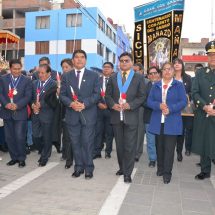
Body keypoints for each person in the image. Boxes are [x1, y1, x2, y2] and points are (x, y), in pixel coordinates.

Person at [105, 52, 145, 183]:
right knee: (120, 145)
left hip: (131, 116)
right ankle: (122, 167)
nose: (124, 63)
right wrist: (112, 105)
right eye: (121, 60)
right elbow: (108, 95)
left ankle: (128, 173)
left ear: (132, 62)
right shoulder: (113, 77)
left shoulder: (139, 78)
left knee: (129, 146)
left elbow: (142, 97)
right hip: (117, 116)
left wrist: (130, 105)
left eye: (126, 60)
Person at [60, 50, 100, 180]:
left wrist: (84, 104)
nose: (79, 60)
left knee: (87, 142)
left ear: (86, 60)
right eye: (76, 57)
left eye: (82, 57)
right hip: (72, 114)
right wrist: (71, 103)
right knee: (75, 143)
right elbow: (62, 95)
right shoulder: (66, 76)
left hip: (88, 114)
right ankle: (78, 167)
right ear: (73, 60)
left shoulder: (94, 75)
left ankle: (89, 168)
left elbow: (97, 94)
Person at [147, 62, 187, 184]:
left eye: (169, 69)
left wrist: (171, 108)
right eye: (164, 69)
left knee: (169, 149)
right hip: (158, 121)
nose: (167, 71)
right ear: (161, 72)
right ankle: (160, 168)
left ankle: (167, 173)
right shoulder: (156, 85)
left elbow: (183, 101)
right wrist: (158, 105)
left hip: (172, 121)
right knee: (159, 147)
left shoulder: (178, 85)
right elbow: (149, 101)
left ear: (173, 72)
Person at [0, 59, 32, 167]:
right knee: (9, 137)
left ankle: (21, 158)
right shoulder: (3, 79)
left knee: (20, 136)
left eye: (19, 69)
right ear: (10, 68)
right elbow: (1, 94)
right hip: (6, 111)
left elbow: (28, 96)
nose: (17, 71)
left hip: (20, 112)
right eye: (15, 69)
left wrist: (17, 105)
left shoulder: (26, 80)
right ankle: (13, 158)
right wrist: (6, 104)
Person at [192, 40, 215, 180]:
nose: (213, 57)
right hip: (204, 113)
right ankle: (205, 170)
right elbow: (194, 93)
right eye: (210, 55)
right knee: (205, 142)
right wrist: (205, 106)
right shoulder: (200, 73)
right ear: (207, 56)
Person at [31, 64, 58, 167]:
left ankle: (44, 157)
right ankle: (43, 151)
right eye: (39, 73)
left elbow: (53, 100)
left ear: (49, 73)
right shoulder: (34, 83)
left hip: (47, 114)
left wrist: (41, 104)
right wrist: (33, 104)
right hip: (35, 113)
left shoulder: (54, 84)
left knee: (47, 137)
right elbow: (31, 97)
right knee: (35, 136)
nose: (40, 75)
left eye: (43, 73)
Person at [173, 58, 193, 161]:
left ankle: (179, 152)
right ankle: (170, 151)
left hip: (184, 110)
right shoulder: (169, 77)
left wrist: (186, 95)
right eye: (175, 63)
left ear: (182, 65)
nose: (176, 64)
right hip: (171, 109)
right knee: (171, 131)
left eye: (179, 63)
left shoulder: (188, 78)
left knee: (181, 131)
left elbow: (192, 92)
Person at [93, 62, 114, 159]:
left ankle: (108, 152)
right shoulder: (97, 80)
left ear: (112, 70)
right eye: (104, 67)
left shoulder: (115, 80)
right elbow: (93, 93)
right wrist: (98, 103)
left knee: (109, 132)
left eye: (108, 67)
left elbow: (117, 95)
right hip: (99, 109)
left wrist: (109, 105)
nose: (106, 69)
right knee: (98, 131)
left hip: (110, 110)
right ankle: (97, 151)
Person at [143, 66, 161, 167]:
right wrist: (155, 106)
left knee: (161, 140)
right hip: (149, 116)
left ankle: (161, 157)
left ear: (159, 74)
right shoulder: (145, 87)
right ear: (148, 76)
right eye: (150, 73)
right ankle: (152, 159)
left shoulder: (164, 85)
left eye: (155, 73)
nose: (153, 75)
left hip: (162, 117)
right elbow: (143, 101)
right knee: (150, 140)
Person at [60, 58, 74, 169]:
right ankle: (68, 159)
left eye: (66, 67)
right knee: (67, 137)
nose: (64, 69)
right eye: (63, 67)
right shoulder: (62, 79)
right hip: (66, 112)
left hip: (80, 111)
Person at [132, 63, 146, 162]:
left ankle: (137, 153)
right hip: (129, 109)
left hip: (141, 108)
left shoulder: (146, 81)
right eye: (133, 71)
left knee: (139, 132)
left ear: (141, 71)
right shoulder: (128, 81)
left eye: (136, 70)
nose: (134, 73)